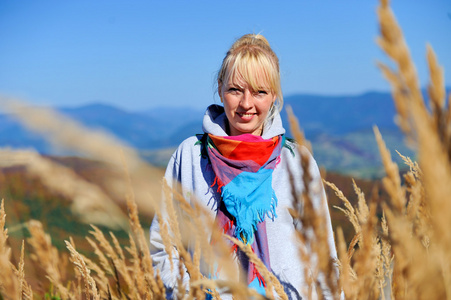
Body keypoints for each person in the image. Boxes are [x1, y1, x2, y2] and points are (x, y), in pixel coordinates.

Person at [150, 33, 338, 299]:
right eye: (236, 90)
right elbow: (163, 244)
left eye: (260, 92)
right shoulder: (190, 157)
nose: (246, 104)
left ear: (274, 95)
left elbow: (323, 256)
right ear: (220, 88)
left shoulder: (297, 162)